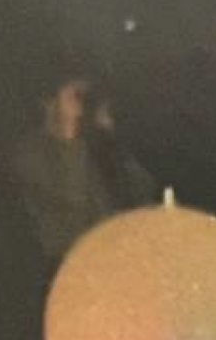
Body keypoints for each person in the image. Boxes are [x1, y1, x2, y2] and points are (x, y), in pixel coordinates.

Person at [10, 61, 157, 271]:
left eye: (84, 97)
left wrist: (109, 135)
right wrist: (69, 132)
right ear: (49, 103)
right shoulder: (31, 150)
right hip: (63, 262)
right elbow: (72, 197)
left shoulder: (91, 145)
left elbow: (143, 189)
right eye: (74, 96)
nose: (81, 105)